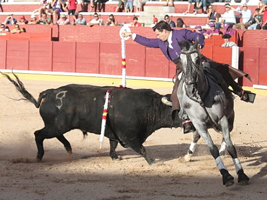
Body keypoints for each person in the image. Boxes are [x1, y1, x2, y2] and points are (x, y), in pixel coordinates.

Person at [121, 21, 255, 133]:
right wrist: (131, 35)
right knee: (176, 91)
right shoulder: (161, 42)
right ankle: (186, 119)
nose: (157, 36)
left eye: (158, 33)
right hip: (181, 67)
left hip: (196, 61)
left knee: (220, 72)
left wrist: (199, 46)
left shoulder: (181, 33)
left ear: (165, 31)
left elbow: (198, 36)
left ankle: (240, 92)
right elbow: (147, 41)